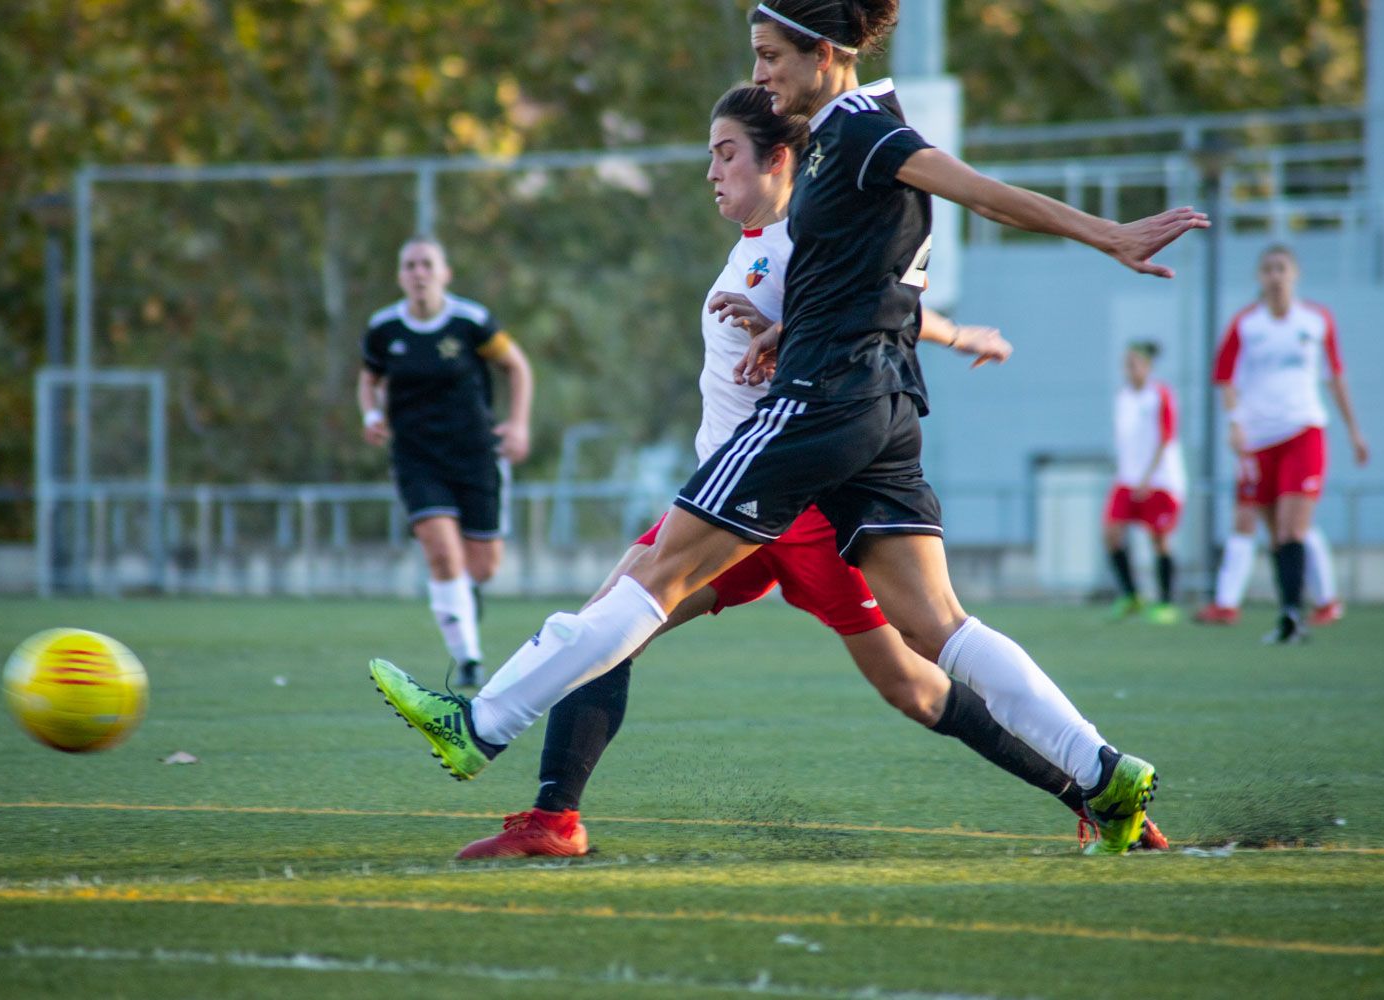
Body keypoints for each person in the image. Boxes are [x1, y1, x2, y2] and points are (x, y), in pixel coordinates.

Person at [369, 0, 1207, 856]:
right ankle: (1102, 777)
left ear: (825, 52)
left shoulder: (858, 131)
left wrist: (1108, 234)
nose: (764, 75)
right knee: (936, 631)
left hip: (820, 410)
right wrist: (788, 329)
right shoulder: (843, 152)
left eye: (771, 56)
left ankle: (478, 725)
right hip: (881, 405)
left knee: (644, 584)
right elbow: (872, 283)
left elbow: (980, 193)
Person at [359, 236, 533, 687]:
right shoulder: (384, 329)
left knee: (483, 566)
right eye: (410, 265)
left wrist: (517, 424)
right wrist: (372, 413)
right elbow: (369, 377)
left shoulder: (470, 322)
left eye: (427, 264)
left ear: (444, 273)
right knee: (442, 553)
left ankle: (466, 596)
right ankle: (469, 659)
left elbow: (517, 366)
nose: (418, 273)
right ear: (400, 276)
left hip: (475, 454)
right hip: (417, 457)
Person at [1195, 245, 1367, 642]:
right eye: (1268, 269)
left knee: (1293, 527)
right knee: (1275, 533)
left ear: (1296, 274)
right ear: (1259, 277)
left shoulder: (1317, 320)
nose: (1275, 276)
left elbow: (1335, 376)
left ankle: (1292, 614)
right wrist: (1235, 424)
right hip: (1258, 440)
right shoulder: (1246, 324)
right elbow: (1225, 379)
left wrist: (1355, 431)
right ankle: (1293, 613)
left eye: (1282, 268)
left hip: (1304, 432)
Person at [1103, 341, 1186, 624]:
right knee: (1112, 533)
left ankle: (1166, 602)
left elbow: (1166, 438)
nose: (1129, 369)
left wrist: (1148, 478)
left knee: (1159, 539)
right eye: (1126, 364)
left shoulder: (1160, 395)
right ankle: (1131, 596)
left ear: (1147, 367)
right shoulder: (1123, 397)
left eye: (1135, 363)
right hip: (1127, 479)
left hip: (1159, 480)